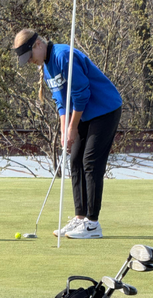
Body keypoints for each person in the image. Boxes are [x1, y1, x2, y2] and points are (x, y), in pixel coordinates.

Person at [12, 29, 123, 239]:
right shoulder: (46, 68)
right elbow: (62, 103)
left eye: (29, 56)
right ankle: (80, 218)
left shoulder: (62, 56)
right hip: (86, 114)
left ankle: (92, 224)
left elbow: (81, 95)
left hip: (105, 109)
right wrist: (65, 131)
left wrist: (73, 127)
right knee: (75, 161)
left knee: (90, 161)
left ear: (37, 45)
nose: (29, 62)